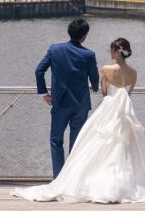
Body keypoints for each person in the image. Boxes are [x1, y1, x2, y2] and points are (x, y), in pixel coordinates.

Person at [12, 38, 145, 204]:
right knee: (123, 149)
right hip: (124, 113)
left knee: (92, 144)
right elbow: (127, 94)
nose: (110, 53)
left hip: (107, 110)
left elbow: (103, 91)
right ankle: (121, 184)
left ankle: (73, 178)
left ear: (116, 51)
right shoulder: (134, 73)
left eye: (111, 50)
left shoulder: (107, 69)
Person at [34, 17, 99, 179]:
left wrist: (44, 93)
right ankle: (73, 178)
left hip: (60, 102)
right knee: (77, 143)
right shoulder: (89, 54)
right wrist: (96, 87)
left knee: (56, 141)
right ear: (84, 36)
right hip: (81, 104)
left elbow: (39, 71)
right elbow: (95, 79)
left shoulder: (54, 50)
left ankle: (58, 178)